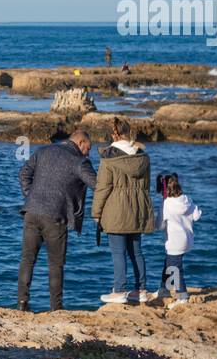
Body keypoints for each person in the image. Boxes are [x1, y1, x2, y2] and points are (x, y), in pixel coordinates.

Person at [17, 129, 97, 312]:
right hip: (56, 216)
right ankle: (56, 307)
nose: (88, 153)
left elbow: (23, 173)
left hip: (31, 211)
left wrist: (31, 196)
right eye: (88, 148)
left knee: (27, 259)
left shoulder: (43, 150)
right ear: (81, 143)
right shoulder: (80, 161)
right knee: (56, 264)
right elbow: (98, 185)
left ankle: (22, 303)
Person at [92, 117, 154, 304]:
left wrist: (96, 213)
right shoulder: (143, 157)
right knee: (136, 251)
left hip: (116, 210)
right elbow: (146, 186)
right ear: (129, 132)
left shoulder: (108, 158)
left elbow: (103, 188)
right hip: (138, 208)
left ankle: (119, 290)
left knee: (118, 252)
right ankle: (140, 290)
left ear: (114, 134)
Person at [156, 173, 201, 308]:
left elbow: (159, 226)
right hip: (187, 239)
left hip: (174, 242)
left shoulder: (166, 204)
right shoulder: (187, 199)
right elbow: (197, 215)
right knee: (169, 263)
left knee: (175, 269)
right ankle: (164, 289)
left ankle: (182, 297)